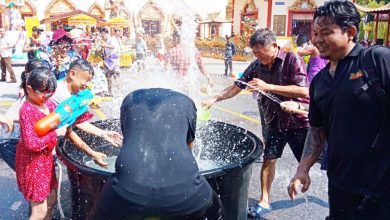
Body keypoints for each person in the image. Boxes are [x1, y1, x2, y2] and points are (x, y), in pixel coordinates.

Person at [288, 1, 390, 219]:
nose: (317, 40)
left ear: (350, 32)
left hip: (382, 187)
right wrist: (302, 170)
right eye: (315, 33)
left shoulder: (376, 60)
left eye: (326, 32)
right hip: (341, 184)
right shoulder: (320, 82)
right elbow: (317, 130)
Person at [202, 28, 309, 218]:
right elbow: (237, 86)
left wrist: (269, 87)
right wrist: (215, 99)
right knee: (269, 158)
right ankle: (264, 200)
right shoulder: (257, 65)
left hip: (296, 122)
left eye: (261, 51)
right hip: (273, 122)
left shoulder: (292, 60)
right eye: (255, 53)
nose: (258, 56)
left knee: (309, 160)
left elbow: (303, 91)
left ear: (274, 46)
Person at [88, 88, 223, 220]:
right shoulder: (187, 105)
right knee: (216, 210)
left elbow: (129, 141)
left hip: (126, 194)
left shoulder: (129, 102)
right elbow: (189, 147)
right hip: (188, 196)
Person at [15, 67, 67, 219]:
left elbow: (61, 115)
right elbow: (31, 144)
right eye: (43, 93)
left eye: (50, 93)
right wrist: (55, 134)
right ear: (29, 89)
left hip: (45, 161)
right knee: (39, 211)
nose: (47, 97)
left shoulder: (48, 105)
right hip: (33, 164)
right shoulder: (27, 110)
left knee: (51, 199)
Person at [51, 59, 123, 151]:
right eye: (86, 80)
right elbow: (74, 125)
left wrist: (103, 133)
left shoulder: (61, 84)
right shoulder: (63, 95)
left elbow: (76, 119)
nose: (87, 85)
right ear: (72, 74)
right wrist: (93, 152)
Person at [101, 27, 121, 96]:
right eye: (102, 34)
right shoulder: (105, 41)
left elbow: (113, 46)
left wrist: (104, 45)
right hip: (108, 62)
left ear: (107, 34)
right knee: (108, 77)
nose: (103, 36)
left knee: (116, 76)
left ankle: (118, 92)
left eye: (104, 34)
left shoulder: (111, 39)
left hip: (114, 61)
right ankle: (110, 92)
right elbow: (105, 54)